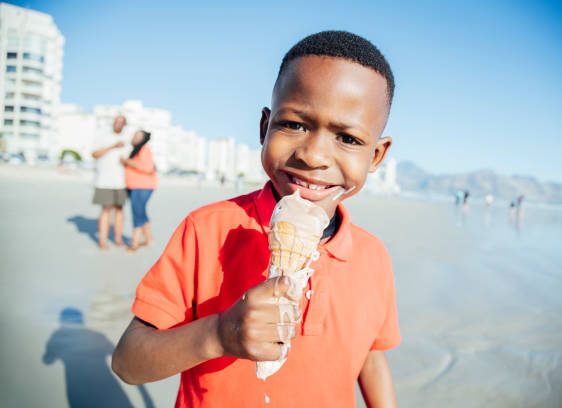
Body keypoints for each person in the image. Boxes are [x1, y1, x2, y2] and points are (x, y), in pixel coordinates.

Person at [112, 31, 400, 407]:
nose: (313, 156)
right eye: (295, 125)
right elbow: (128, 362)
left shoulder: (373, 257)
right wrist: (218, 334)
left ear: (376, 156)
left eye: (347, 138)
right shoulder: (207, 230)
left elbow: (370, 355)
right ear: (265, 127)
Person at [91, 115, 130, 249]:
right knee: (105, 209)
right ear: (112, 122)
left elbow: (129, 159)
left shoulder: (128, 139)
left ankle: (118, 238)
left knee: (119, 209)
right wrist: (113, 146)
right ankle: (103, 240)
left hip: (121, 181)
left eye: (121, 122)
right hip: (104, 180)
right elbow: (94, 154)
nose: (118, 124)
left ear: (125, 124)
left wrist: (126, 161)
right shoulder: (102, 136)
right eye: (116, 121)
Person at [120, 130, 158, 251]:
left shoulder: (144, 149)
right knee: (141, 212)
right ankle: (148, 240)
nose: (134, 137)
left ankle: (135, 243)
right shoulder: (134, 150)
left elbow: (148, 168)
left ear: (143, 139)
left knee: (137, 213)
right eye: (134, 135)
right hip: (134, 186)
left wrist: (126, 161)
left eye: (138, 136)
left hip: (143, 186)